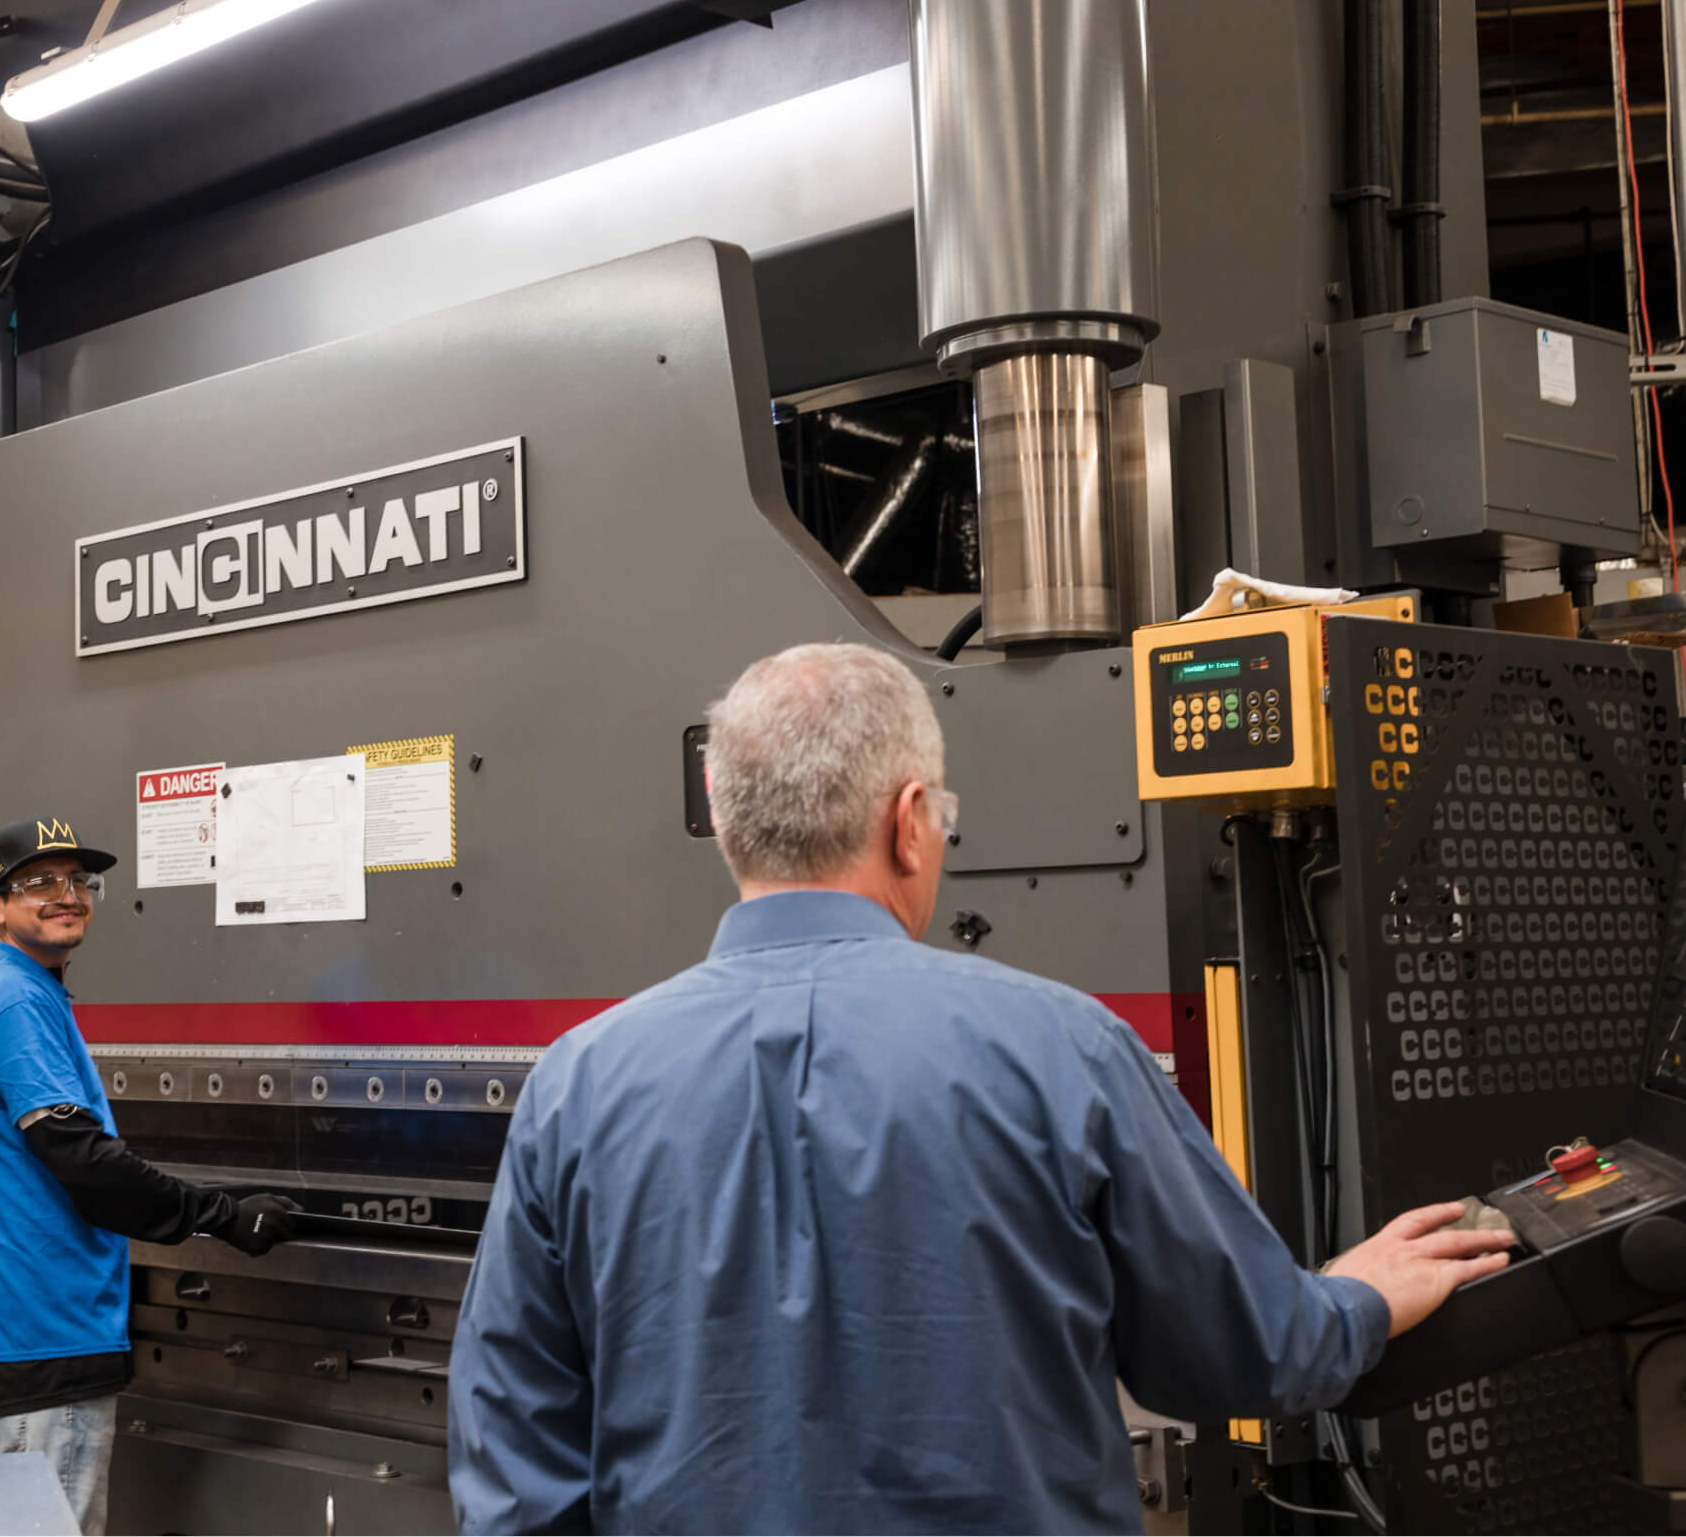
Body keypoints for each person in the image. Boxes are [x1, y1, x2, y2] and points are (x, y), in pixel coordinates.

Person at [446, 643, 1514, 1534]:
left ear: (727, 814)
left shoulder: (576, 1086)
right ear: (911, 818)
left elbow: (512, 1457)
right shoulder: (1063, 1045)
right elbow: (1243, 1352)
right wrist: (1360, 1296)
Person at [0, 815, 303, 1534]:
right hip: (45, 1333)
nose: (66, 894)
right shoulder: (15, 1000)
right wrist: (223, 1216)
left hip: (7, 1327)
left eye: (76, 879)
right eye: (39, 882)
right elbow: (83, 1161)